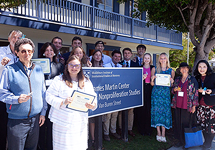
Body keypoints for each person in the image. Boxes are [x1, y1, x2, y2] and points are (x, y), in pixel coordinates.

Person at [0, 38, 47, 150]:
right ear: (16, 52)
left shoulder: (39, 70)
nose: (27, 54)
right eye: (23, 51)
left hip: (36, 120)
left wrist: (43, 113)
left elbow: (43, 93)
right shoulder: (9, 70)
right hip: (17, 121)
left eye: (29, 51)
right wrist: (16, 99)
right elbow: (2, 93)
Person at [46, 55, 97, 149]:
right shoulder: (59, 80)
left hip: (79, 122)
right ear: (67, 66)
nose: (74, 68)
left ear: (80, 66)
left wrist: (92, 105)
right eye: (71, 65)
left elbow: (93, 97)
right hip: (62, 123)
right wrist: (62, 101)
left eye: (77, 65)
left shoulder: (86, 81)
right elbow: (48, 96)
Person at [38, 42, 64, 150]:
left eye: (51, 50)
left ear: (54, 52)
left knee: (51, 125)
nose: (49, 52)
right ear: (43, 52)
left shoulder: (59, 66)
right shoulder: (37, 65)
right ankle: (39, 146)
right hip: (40, 98)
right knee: (40, 125)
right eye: (47, 50)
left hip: (53, 99)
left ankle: (50, 146)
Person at [0, 30, 23, 150]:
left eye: (19, 37)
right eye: (14, 37)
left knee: (14, 126)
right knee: (2, 125)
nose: (16, 39)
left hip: (17, 97)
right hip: (3, 96)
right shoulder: (1, 52)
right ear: (9, 39)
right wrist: (1, 65)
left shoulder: (22, 54)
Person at [171, 62, 199, 147]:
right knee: (178, 124)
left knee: (186, 125)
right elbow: (172, 90)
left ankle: (187, 142)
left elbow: (196, 93)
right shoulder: (177, 79)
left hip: (187, 106)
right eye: (182, 68)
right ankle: (180, 141)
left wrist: (194, 106)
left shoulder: (192, 79)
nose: (184, 69)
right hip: (177, 105)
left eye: (185, 68)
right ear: (179, 70)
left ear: (188, 69)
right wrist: (174, 89)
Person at [151, 52, 175, 142]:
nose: (163, 59)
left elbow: (172, 86)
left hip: (165, 95)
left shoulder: (171, 71)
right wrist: (152, 79)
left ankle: (164, 133)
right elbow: (152, 84)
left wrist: (172, 81)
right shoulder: (155, 69)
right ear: (159, 59)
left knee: (165, 112)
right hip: (156, 94)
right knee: (157, 112)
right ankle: (158, 132)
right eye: (161, 58)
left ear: (167, 59)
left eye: (164, 58)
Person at [194, 60, 215, 150]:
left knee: (210, 127)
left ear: (207, 67)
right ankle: (205, 142)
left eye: (204, 67)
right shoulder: (197, 77)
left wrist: (212, 91)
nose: (202, 69)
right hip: (200, 106)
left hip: (210, 106)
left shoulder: (213, 76)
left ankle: (208, 144)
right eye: (200, 67)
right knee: (202, 126)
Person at [118, 48, 139, 137]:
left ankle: (129, 129)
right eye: (125, 53)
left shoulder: (136, 64)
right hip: (121, 90)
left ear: (131, 54)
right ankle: (120, 128)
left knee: (131, 111)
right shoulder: (119, 64)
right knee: (120, 111)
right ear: (123, 54)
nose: (127, 55)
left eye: (128, 53)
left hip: (132, 90)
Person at [103, 50, 122, 141]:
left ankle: (113, 131)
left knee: (115, 114)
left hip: (117, 93)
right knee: (108, 115)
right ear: (112, 57)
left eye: (119, 57)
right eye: (115, 56)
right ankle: (106, 133)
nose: (117, 58)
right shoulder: (105, 66)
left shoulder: (121, 67)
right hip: (108, 94)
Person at [135, 53, 155, 136]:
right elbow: (136, 80)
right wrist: (141, 78)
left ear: (150, 60)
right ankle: (141, 129)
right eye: (145, 58)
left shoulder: (152, 68)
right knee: (141, 109)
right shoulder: (140, 68)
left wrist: (152, 79)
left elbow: (152, 81)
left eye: (148, 58)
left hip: (149, 89)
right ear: (143, 59)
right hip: (142, 89)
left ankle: (148, 129)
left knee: (148, 108)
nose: (147, 60)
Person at [89, 49, 103, 147]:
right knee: (92, 119)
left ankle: (99, 137)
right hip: (91, 95)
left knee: (100, 118)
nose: (98, 57)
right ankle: (92, 138)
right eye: (96, 55)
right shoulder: (89, 66)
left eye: (100, 55)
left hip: (102, 95)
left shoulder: (104, 67)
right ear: (93, 56)